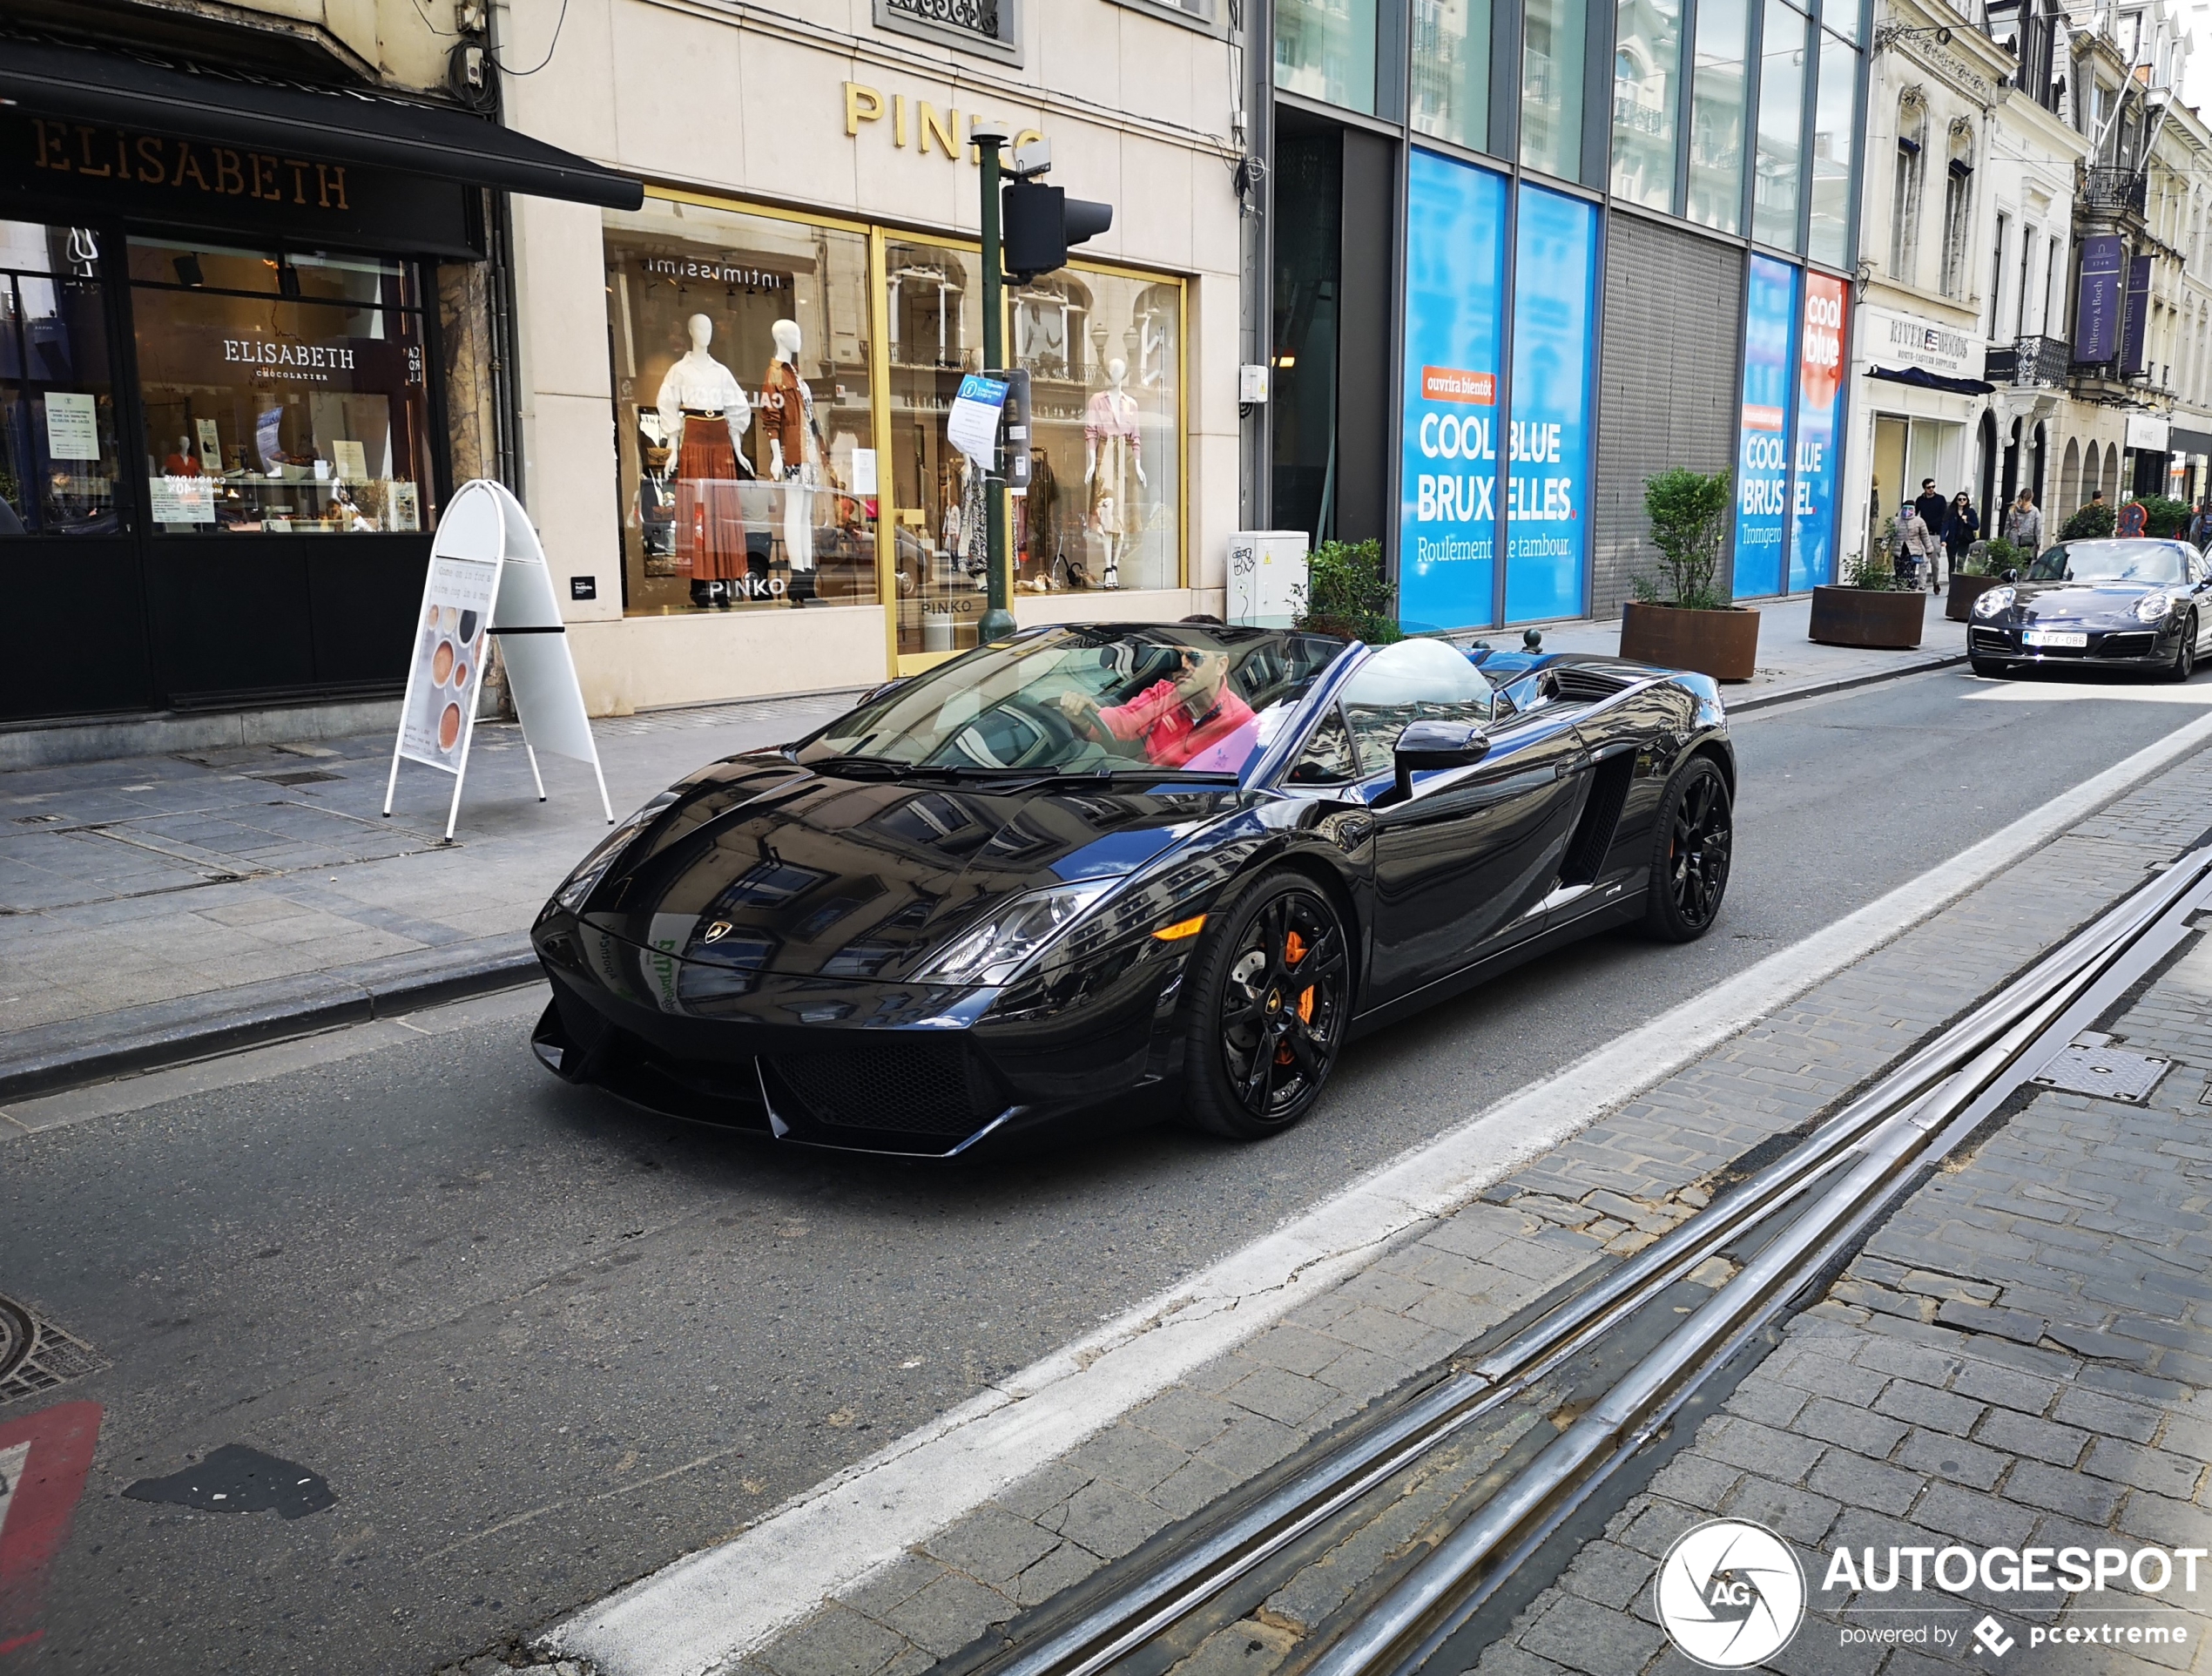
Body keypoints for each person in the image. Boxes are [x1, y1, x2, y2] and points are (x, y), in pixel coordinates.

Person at [1058, 644, 1257, 769]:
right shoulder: (1163, 694)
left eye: (1194, 658)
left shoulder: (1244, 723)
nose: (1182, 667)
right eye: (1176, 658)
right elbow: (1124, 720)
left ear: (1221, 666)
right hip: (1153, 796)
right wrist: (1087, 719)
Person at [1895, 500, 1939, 588]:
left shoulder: (1919, 521)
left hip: (1913, 550)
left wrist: (1929, 549)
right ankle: (1901, 586)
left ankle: (1910, 585)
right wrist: (1884, 544)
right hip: (1899, 550)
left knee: (1910, 569)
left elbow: (1925, 536)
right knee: (1898, 569)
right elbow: (1890, 534)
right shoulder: (1896, 521)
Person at [1942, 490, 1980, 588]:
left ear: (1967, 501)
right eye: (1960, 499)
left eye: (1964, 499)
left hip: (1964, 540)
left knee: (1961, 563)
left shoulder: (1970, 512)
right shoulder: (1951, 512)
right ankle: (1951, 586)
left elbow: (1976, 526)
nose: (1962, 501)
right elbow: (1945, 527)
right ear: (1956, 501)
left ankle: (1958, 587)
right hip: (1952, 540)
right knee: (1951, 564)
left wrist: (1967, 522)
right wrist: (1943, 540)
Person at [1912, 479, 1949, 550]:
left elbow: (1945, 514)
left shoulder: (1940, 499)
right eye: (1929, 487)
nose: (1931, 489)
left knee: (1935, 556)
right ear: (1924, 488)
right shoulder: (1920, 500)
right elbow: (1915, 513)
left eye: (1933, 486)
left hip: (1936, 532)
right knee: (1922, 555)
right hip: (1924, 531)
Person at [2005, 490, 2043, 557]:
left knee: (2013, 561)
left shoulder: (2012, 510)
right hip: (2028, 542)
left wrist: (2005, 541)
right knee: (2026, 562)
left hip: (2013, 540)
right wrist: (2038, 542)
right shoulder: (2035, 511)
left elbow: (2007, 528)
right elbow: (2038, 529)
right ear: (2031, 498)